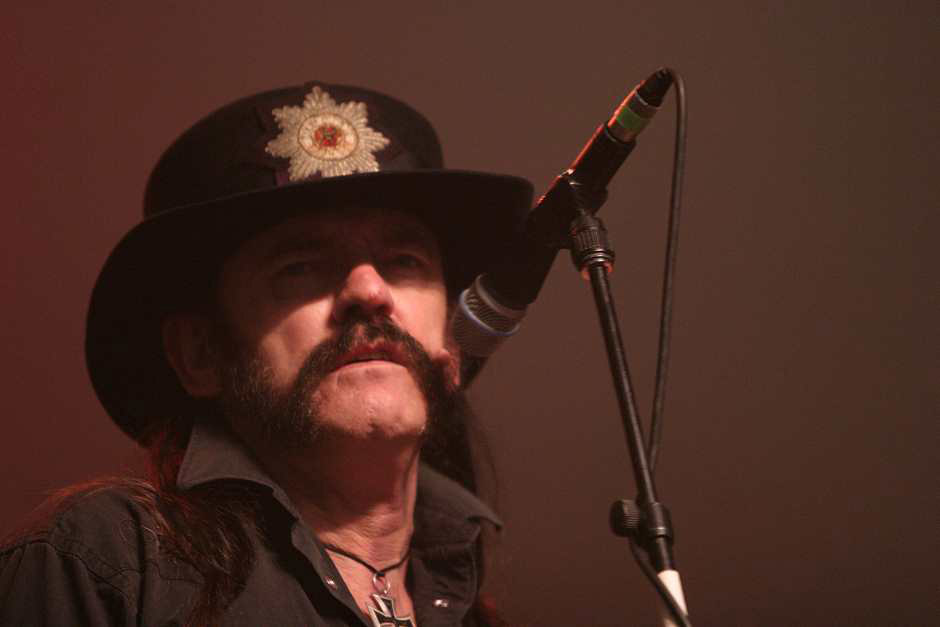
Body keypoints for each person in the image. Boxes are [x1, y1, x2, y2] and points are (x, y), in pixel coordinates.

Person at [0, 82, 533, 626]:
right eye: (299, 267)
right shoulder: (103, 563)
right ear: (201, 353)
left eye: (404, 260)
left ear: (452, 343)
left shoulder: (473, 609)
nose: (369, 290)